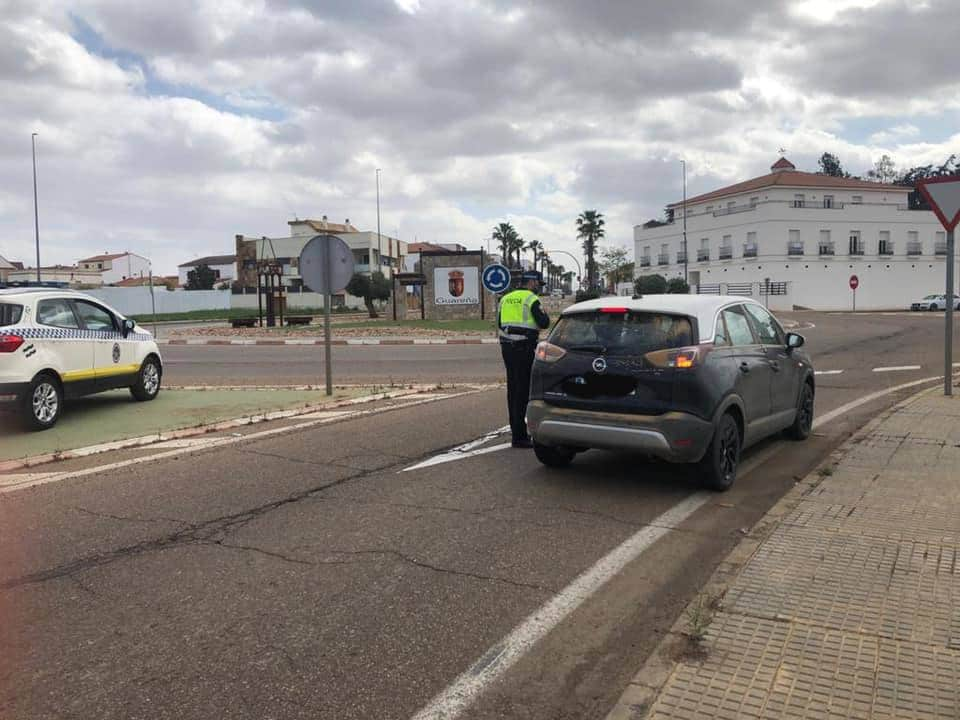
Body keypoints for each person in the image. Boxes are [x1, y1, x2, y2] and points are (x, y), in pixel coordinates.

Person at [498, 271, 550, 448]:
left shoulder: (505, 298)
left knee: (513, 390)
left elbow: (499, 323)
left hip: (506, 348)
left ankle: (516, 431)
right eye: (538, 284)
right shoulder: (531, 299)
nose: (539, 288)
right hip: (524, 348)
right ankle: (519, 437)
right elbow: (544, 323)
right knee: (523, 392)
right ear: (532, 282)